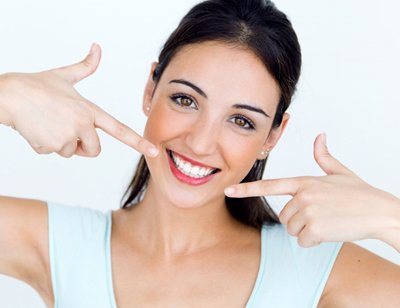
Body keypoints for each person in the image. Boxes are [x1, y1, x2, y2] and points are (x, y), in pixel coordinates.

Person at [0, 0, 399, 307]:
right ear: (149, 90)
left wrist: (390, 218)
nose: (201, 143)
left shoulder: (315, 270)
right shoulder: (61, 245)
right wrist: (6, 95)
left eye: (242, 121)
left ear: (272, 136)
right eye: (185, 100)